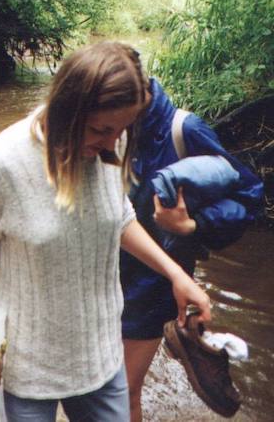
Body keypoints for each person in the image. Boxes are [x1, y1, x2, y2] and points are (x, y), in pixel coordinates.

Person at [0, 41, 212, 422]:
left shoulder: (108, 142)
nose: (112, 143)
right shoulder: (4, 161)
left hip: (102, 359)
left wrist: (176, 275)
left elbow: (118, 219)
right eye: (100, 130)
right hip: (29, 367)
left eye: (121, 130)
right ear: (67, 107)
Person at [120, 77, 263, 421]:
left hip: (153, 286)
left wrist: (193, 226)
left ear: (141, 92)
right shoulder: (105, 128)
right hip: (101, 275)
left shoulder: (184, 129)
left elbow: (250, 196)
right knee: (94, 388)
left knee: (123, 394)